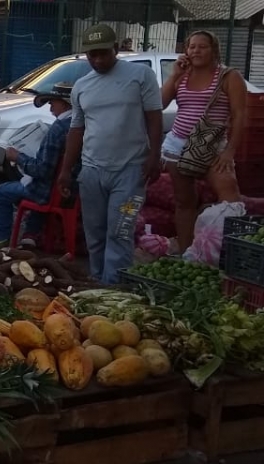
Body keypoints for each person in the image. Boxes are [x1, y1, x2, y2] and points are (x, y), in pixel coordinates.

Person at [58, 24, 163, 284]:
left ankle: (115, 289)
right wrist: (65, 170)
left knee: (120, 231)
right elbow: (76, 129)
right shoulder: (82, 86)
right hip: (92, 171)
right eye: (92, 55)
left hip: (131, 171)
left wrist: (154, 155)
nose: (98, 60)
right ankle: (97, 283)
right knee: (94, 232)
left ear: (115, 49)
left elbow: (154, 118)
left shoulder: (141, 75)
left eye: (103, 53)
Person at [160, 30, 245, 253]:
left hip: (213, 148)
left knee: (230, 198)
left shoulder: (229, 77)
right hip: (177, 145)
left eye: (202, 46)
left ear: (213, 50)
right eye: (192, 46)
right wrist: (174, 74)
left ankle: (226, 254)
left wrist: (229, 152)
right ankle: (188, 253)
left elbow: (239, 115)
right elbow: (160, 103)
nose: (196, 51)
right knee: (184, 202)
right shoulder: (183, 75)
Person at [0, 83, 75, 243]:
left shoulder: (58, 129)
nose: (50, 107)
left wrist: (18, 157)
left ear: (64, 104)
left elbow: (42, 170)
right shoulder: (80, 124)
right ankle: (31, 233)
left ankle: (1, 238)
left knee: (2, 192)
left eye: (52, 102)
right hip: (70, 190)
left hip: (48, 191)